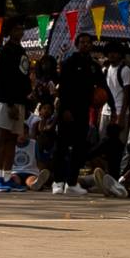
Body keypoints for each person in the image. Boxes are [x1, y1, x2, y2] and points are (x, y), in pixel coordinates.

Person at [50, 28, 100, 195]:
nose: (85, 45)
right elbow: (63, 88)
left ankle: (71, 183)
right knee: (62, 147)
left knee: (79, 148)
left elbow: (102, 86)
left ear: (92, 45)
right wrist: (64, 109)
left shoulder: (94, 65)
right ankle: (57, 181)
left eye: (88, 42)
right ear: (77, 45)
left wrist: (113, 108)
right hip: (68, 110)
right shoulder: (70, 63)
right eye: (82, 42)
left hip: (84, 110)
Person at [0, 35, 30, 192]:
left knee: (12, 139)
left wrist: (26, 96)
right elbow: (1, 79)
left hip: (20, 100)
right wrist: (9, 103)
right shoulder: (5, 51)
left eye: (22, 27)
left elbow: (23, 76)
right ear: (11, 31)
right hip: (6, 101)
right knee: (2, 137)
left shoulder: (21, 50)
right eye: (17, 28)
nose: (20, 30)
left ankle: (8, 177)